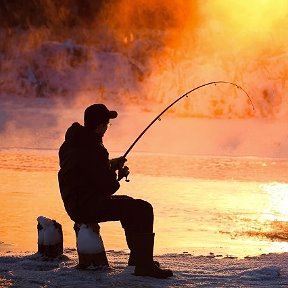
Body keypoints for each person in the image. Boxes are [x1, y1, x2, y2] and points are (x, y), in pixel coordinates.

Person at [58, 103, 173, 279]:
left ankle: (139, 260)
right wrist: (118, 174)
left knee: (129, 204)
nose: (107, 128)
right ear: (100, 126)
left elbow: (85, 170)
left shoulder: (72, 143)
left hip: (75, 202)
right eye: (107, 124)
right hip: (86, 206)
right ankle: (143, 265)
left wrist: (110, 165)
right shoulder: (95, 148)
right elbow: (108, 187)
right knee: (143, 209)